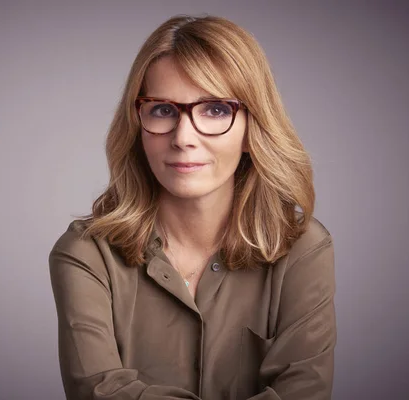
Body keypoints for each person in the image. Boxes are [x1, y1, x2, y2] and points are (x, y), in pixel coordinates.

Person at [48, 14, 336, 400]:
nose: (184, 138)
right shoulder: (86, 254)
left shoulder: (303, 248)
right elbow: (99, 392)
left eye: (215, 110)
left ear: (253, 128)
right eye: (163, 110)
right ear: (138, 126)